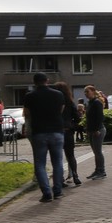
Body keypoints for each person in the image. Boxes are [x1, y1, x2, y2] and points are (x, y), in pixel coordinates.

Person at [24, 72, 67, 202]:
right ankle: (58, 191)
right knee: (57, 162)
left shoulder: (29, 96)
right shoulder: (58, 94)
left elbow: (27, 113)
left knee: (40, 164)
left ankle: (47, 193)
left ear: (34, 82)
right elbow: (61, 110)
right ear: (47, 80)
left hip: (39, 132)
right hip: (57, 131)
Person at [53, 81, 82, 186]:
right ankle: (75, 175)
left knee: (57, 156)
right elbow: (77, 117)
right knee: (71, 155)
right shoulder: (70, 102)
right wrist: (72, 125)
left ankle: (60, 179)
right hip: (68, 131)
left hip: (56, 131)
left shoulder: (54, 102)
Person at [84, 85, 107, 179]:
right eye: (85, 92)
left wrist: (96, 129)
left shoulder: (97, 102)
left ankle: (102, 171)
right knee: (95, 152)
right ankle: (97, 170)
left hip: (98, 130)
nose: (86, 94)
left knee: (98, 152)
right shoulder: (90, 103)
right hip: (91, 130)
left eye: (87, 92)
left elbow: (100, 117)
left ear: (93, 92)